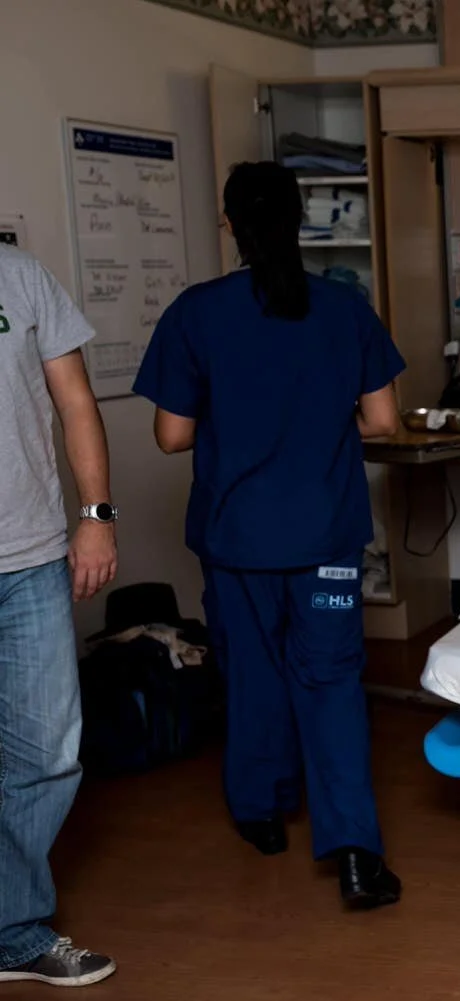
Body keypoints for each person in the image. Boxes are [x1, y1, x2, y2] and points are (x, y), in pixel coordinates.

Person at [133, 161, 405, 910]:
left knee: (252, 676)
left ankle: (262, 815)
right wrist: (319, 424)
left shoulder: (197, 312)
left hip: (237, 541)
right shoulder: (344, 308)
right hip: (325, 539)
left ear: (230, 225)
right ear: (298, 219)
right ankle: (355, 853)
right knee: (331, 681)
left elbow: (169, 435)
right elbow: (382, 422)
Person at [0, 246, 118, 987]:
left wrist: (96, 517)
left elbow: (75, 400)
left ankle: (12, 930)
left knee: (47, 754)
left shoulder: (21, 275)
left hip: (32, 556)